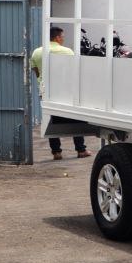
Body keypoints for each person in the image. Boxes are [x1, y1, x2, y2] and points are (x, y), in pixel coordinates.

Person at [30, 26, 90, 161]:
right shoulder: (67, 52)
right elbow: (74, 71)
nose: (63, 39)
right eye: (62, 37)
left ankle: (56, 152)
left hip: (46, 91)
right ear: (57, 37)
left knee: (51, 120)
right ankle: (81, 150)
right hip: (66, 90)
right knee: (75, 118)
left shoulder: (36, 53)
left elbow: (37, 73)